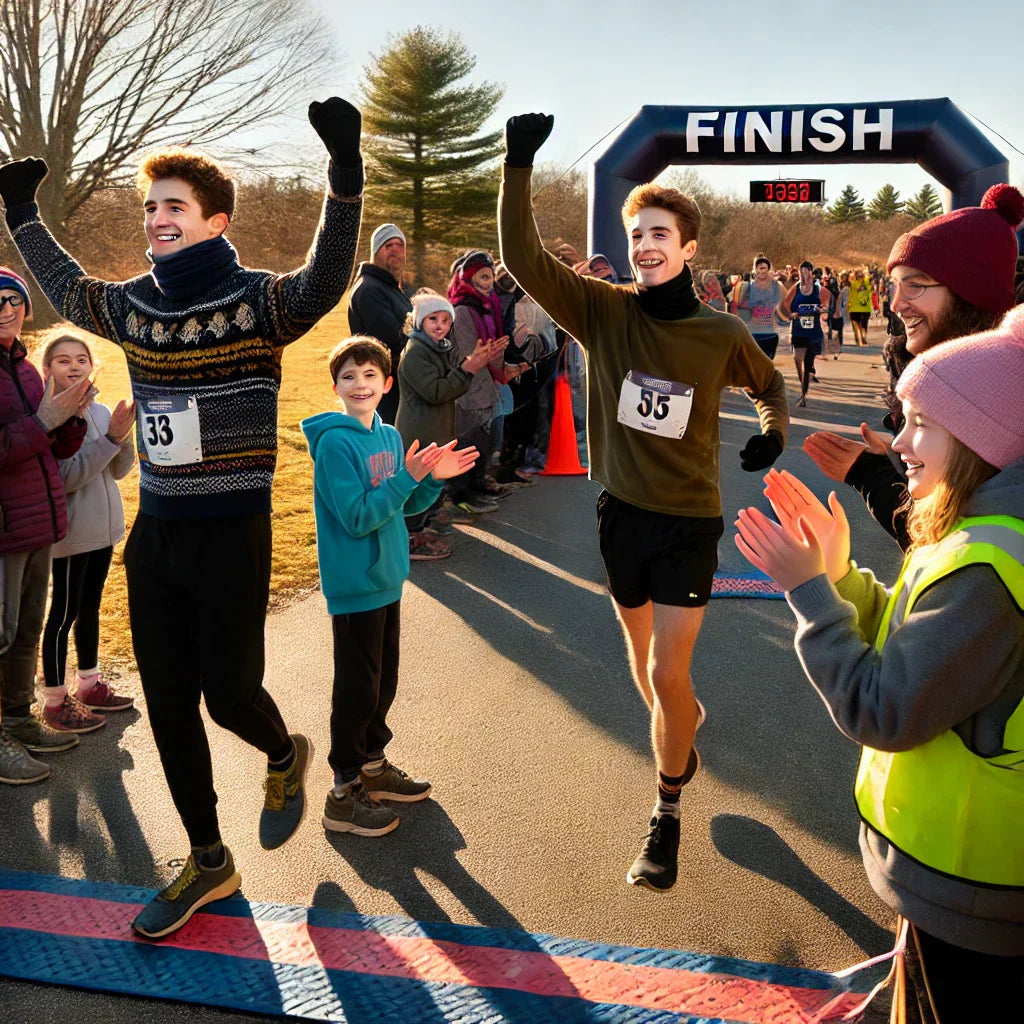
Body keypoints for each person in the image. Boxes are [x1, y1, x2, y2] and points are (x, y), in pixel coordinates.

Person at [0, 95, 364, 936]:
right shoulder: (132, 307)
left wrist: (344, 171)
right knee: (168, 703)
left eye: (174, 207)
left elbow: (326, 277)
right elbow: (65, 284)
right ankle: (208, 861)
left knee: (229, 695)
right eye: (150, 207)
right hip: (157, 532)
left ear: (215, 220)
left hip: (231, 535)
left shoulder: (260, 303)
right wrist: (21, 210)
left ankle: (282, 751)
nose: (157, 219)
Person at [500, 112, 788, 892]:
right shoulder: (604, 311)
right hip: (618, 514)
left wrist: (771, 431)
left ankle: (666, 813)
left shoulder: (720, 330)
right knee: (644, 667)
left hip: (688, 521)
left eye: (661, 234)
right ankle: (680, 737)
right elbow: (522, 258)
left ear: (690, 248)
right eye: (638, 235)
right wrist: (517, 165)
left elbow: (769, 386)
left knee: (667, 670)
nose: (647, 246)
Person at [736, 310, 1024, 1021]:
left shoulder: (988, 568)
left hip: (967, 884)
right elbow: (919, 638)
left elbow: (882, 707)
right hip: (959, 882)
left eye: (921, 421)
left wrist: (809, 593)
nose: (899, 442)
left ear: (986, 437)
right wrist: (843, 577)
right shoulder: (984, 532)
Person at [301, 336, 477, 837]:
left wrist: (430, 478)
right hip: (355, 584)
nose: (360, 384)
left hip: (387, 579)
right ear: (335, 385)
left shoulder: (388, 436)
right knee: (356, 690)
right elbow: (358, 518)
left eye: (370, 376)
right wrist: (408, 478)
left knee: (383, 683)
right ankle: (342, 793)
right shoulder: (335, 443)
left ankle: (373, 767)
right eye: (349, 376)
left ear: (387, 384)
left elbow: (403, 505)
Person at [804, 185, 1024, 551]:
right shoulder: (921, 374)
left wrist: (870, 475)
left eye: (915, 286)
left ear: (970, 295)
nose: (895, 304)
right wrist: (893, 461)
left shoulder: (1007, 399)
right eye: (894, 286)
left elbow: (961, 548)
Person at [0, 269, 89, 784]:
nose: (7, 308)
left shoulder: (28, 370)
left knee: (26, 630)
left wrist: (72, 419)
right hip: (3, 526)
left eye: (16, 300)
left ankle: (17, 719)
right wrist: (45, 420)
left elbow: (52, 450)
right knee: (0, 632)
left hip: (37, 522)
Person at [38, 331, 136, 734]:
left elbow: (116, 470)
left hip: (102, 530)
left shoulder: (95, 409)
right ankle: (56, 701)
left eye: (81, 359)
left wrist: (123, 434)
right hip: (69, 535)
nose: (74, 366)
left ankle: (90, 685)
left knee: (90, 608)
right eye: (63, 361)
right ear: (47, 370)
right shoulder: (47, 418)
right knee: (63, 614)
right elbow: (66, 477)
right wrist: (111, 438)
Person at [395, 291, 503, 556]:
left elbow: (450, 382)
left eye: (445, 319)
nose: (440, 325)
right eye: (433, 318)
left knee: (430, 486)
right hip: (418, 434)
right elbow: (436, 391)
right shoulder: (416, 351)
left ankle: (423, 532)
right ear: (420, 321)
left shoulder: (438, 348)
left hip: (433, 431)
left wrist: (470, 363)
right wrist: (468, 369)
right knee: (416, 487)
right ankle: (408, 540)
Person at [446, 250, 526, 514]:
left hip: (486, 388)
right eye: (482, 276)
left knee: (483, 443)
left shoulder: (488, 306)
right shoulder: (462, 310)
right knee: (467, 444)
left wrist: (501, 358)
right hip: (468, 391)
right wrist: (493, 352)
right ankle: (461, 497)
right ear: (468, 277)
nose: (488, 281)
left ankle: (477, 489)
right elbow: (470, 353)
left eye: (490, 276)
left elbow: (491, 351)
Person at [347, 224, 412, 425]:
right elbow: (391, 341)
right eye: (387, 245)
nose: (395, 250)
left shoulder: (391, 289)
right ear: (375, 252)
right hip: (383, 391)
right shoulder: (369, 290)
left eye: (400, 245)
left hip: (399, 387)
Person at [777, 260, 826, 407]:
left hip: (813, 332)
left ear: (811, 272)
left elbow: (826, 306)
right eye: (802, 271)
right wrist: (790, 315)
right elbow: (783, 306)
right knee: (797, 359)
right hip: (798, 330)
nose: (804, 273)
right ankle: (803, 386)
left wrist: (822, 310)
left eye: (807, 270)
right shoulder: (795, 288)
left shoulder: (818, 289)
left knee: (807, 363)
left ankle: (803, 395)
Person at [733, 254, 783, 360]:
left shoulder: (775, 287)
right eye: (760, 268)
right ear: (755, 270)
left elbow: (780, 305)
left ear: (769, 270)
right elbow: (738, 305)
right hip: (752, 332)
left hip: (770, 333)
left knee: (767, 363)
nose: (763, 271)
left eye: (765, 268)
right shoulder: (747, 287)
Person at [847, 267, 872, 345]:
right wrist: (866, 269)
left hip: (854, 308)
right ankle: (863, 336)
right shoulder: (867, 282)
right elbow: (869, 275)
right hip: (866, 308)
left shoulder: (853, 283)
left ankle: (858, 338)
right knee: (864, 324)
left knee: (857, 325)